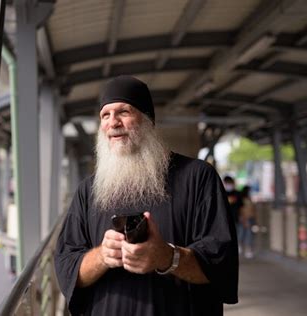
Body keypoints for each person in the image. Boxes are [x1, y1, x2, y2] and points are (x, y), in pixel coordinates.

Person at [54, 75, 238, 316]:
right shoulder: (88, 191)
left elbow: (220, 263)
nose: (113, 122)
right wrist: (103, 256)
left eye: (124, 111)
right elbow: (67, 268)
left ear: (148, 120)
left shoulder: (197, 177)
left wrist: (166, 256)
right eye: (105, 115)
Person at [238, 185, 256, 258]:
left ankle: (247, 250)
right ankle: (245, 249)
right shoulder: (243, 199)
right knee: (244, 234)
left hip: (250, 218)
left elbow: (252, 209)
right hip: (245, 218)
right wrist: (244, 218)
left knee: (247, 234)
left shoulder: (249, 198)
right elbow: (242, 209)